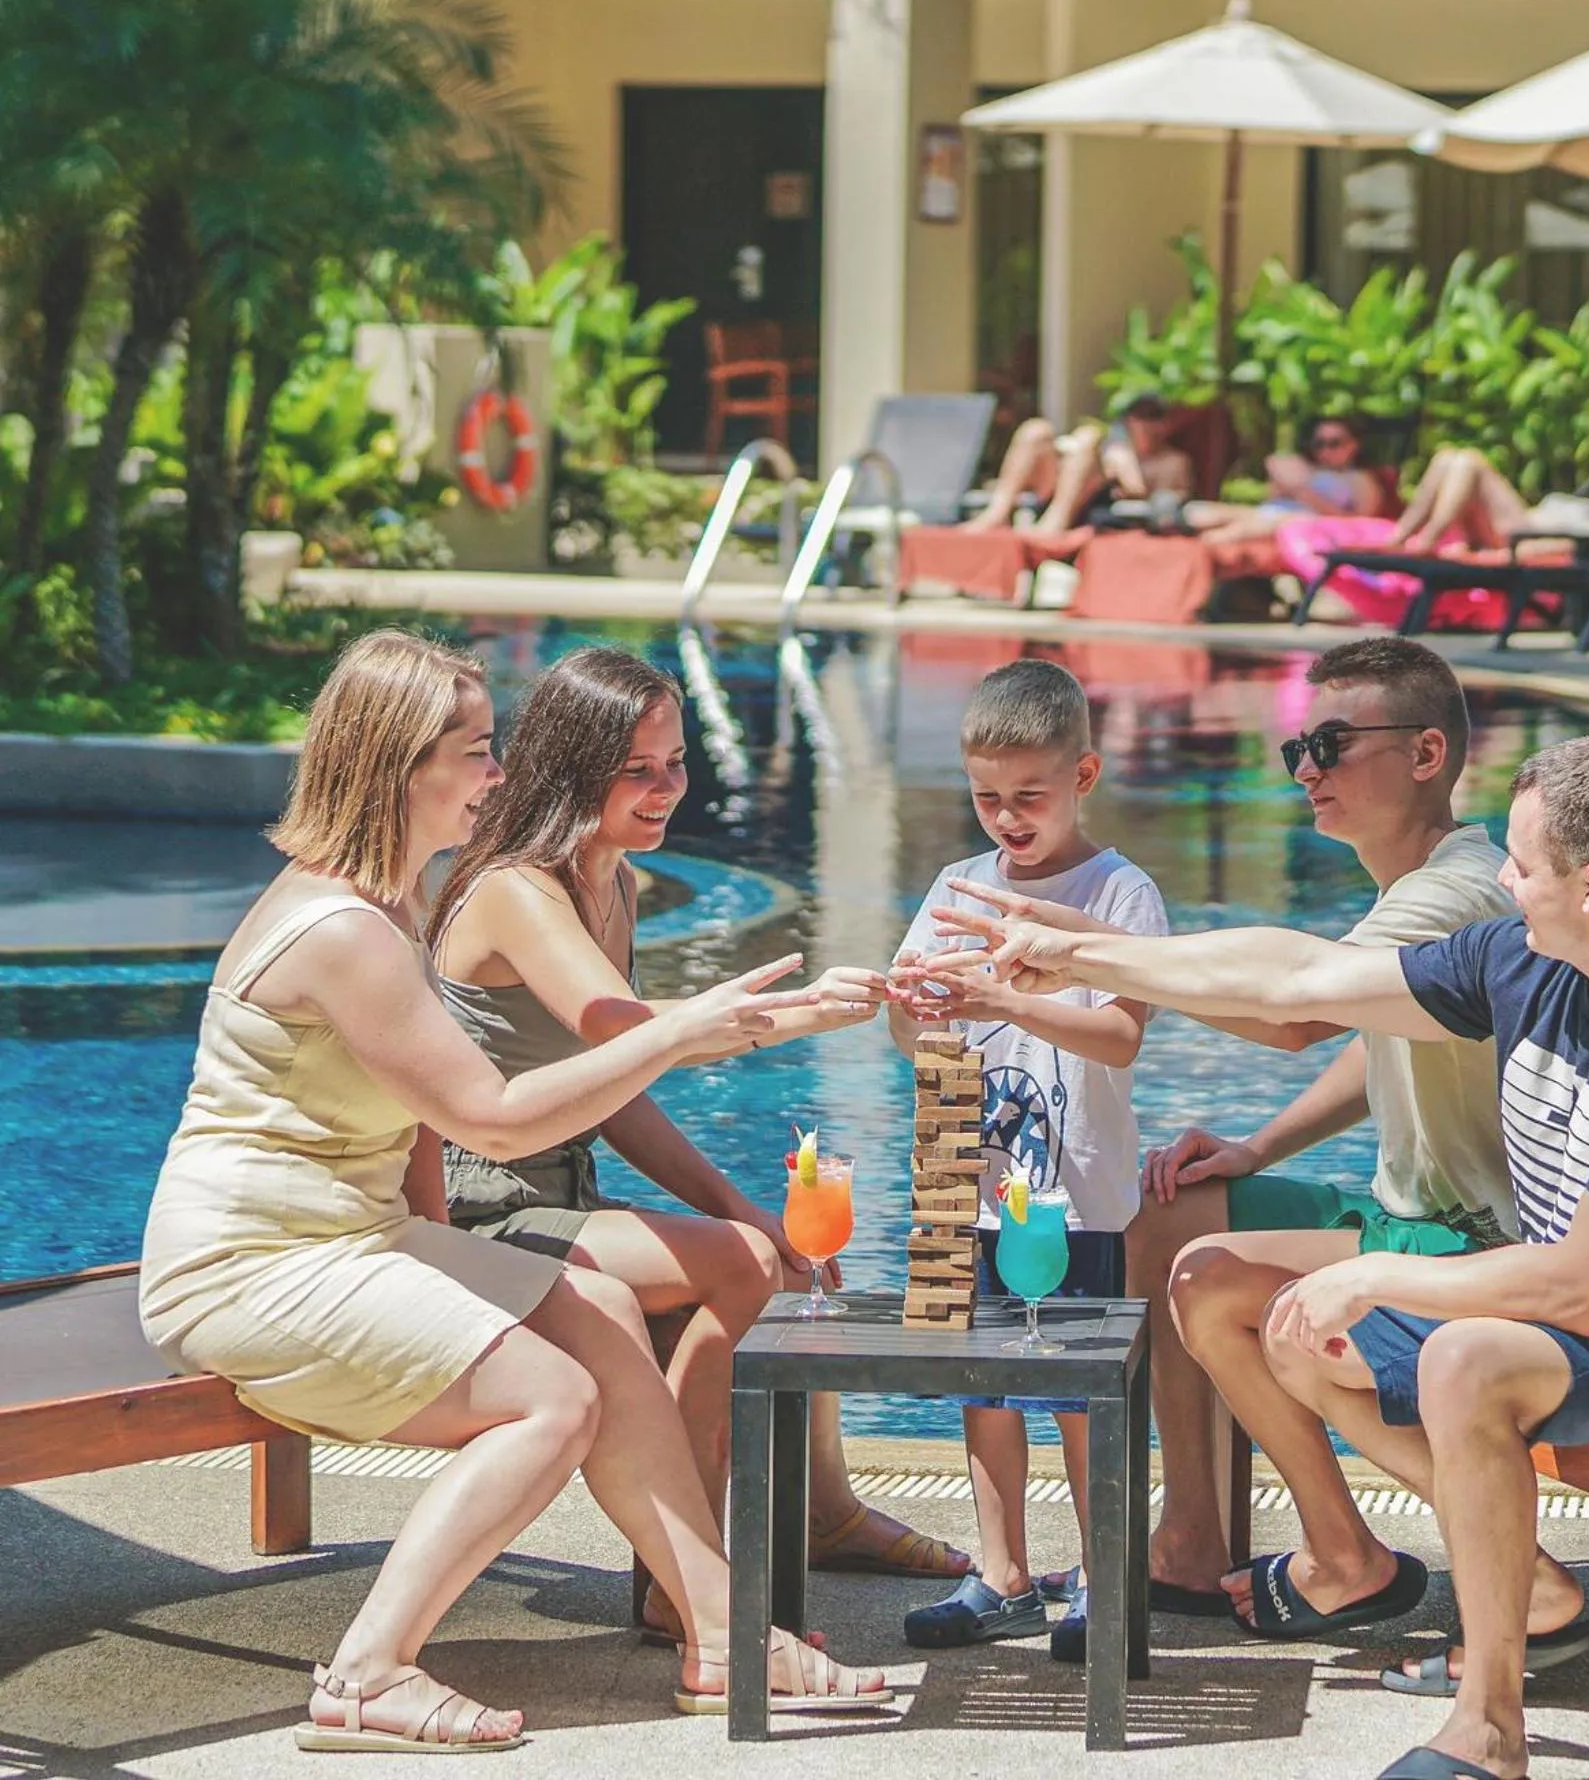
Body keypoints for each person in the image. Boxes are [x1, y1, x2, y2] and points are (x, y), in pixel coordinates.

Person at [936, 730, 1589, 1780]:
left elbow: (1582, 1286)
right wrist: (1075, 954)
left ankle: (1488, 1726)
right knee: (1271, 1309)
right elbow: (1297, 977)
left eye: (1520, 865)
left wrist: (1371, 1272)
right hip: (1572, 1303)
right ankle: (1455, 1571)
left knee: (1460, 1358)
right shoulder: (1525, 961)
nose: (1502, 882)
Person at [138, 631, 885, 1752]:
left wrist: (456, 1265)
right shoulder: (342, 930)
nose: (499, 773)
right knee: (554, 1396)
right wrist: (683, 1027)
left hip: (358, 1236)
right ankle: (366, 1673)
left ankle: (719, 1633)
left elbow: (419, 1125)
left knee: (599, 1313)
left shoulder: (388, 901)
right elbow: (487, 1115)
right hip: (251, 1265)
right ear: (402, 765)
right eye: (478, 750)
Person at [938, 638, 1522, 1626]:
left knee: (1205, 1276)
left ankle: (1343, 1551)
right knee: (1168, 1209)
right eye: (1299, 746)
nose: (1305, 770)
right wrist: (1258, 1149)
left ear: (1427, 753)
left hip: (1470, 1238)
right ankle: (1194, 1535)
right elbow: (1382, 1034)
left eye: (1331, 744)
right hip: (1411, 1212)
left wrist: (1082, 951)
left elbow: (1294, 1016)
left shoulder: (1453, 891)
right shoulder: (1415, 883)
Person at [426, 647, 970, 1637]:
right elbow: (628, 1032)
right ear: (572, 769)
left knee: (782, 1257)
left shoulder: (614, 883)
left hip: (560, 1195)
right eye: (638, 769)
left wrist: (743, 1207)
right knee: (745, 1267)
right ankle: (685, 1577)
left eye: (675, 762)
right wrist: (809, 1010)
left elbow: (619, 1094)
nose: (666, 787)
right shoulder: (515, 889)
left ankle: (824, 1513)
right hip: (477, 1209)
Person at [885, 658, 1168, 1664]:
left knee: (1077, 1392)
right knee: (981, 1383)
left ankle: (1098, 1573)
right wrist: (913, 1009)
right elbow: (909, 1031)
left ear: (1083, 775)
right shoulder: (956, 886)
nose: (1006, 818)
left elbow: (1121, 1036)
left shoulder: (1118, 893)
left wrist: (1005, 1000)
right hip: (963, 1178)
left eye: (1028, 797)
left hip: (1071, 1194)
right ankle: (1001, 1572)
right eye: (986, 798)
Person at [1389, 445, 1589, 557]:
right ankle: (1400, 536)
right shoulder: (1585, 502)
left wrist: (1501, 557)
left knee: (1470, 462)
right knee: (1447, 457)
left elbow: (1568, 544)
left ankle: (1426, 541)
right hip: (1509, 527)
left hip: (1522, 535)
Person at [965, 396, 1194, 536]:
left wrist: (1129, 475)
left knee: (1088, 437)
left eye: (1154, 417)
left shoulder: (1173, 461)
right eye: (1140, 417)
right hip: (1067, 498)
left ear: (1165, 424)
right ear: (1129, 421)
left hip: (1110, 513)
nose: (1146, 424)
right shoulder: (1117, 450)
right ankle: (998, 512)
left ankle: (1055, 522)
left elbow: (1167, 506)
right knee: (1036, 431)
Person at [1181, 421, 1391, 548]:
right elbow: (1273, 496)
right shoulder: (1308, 469)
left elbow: (1361, 525)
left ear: (1353, 444)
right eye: (1319, 443)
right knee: (1197, 511)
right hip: (1274, 513)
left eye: (1334, 443)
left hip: (1307, 524)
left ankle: (1193, 552)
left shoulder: (1361, 479)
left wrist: (1306, 497)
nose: (1326, 450)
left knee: (1241, 530)